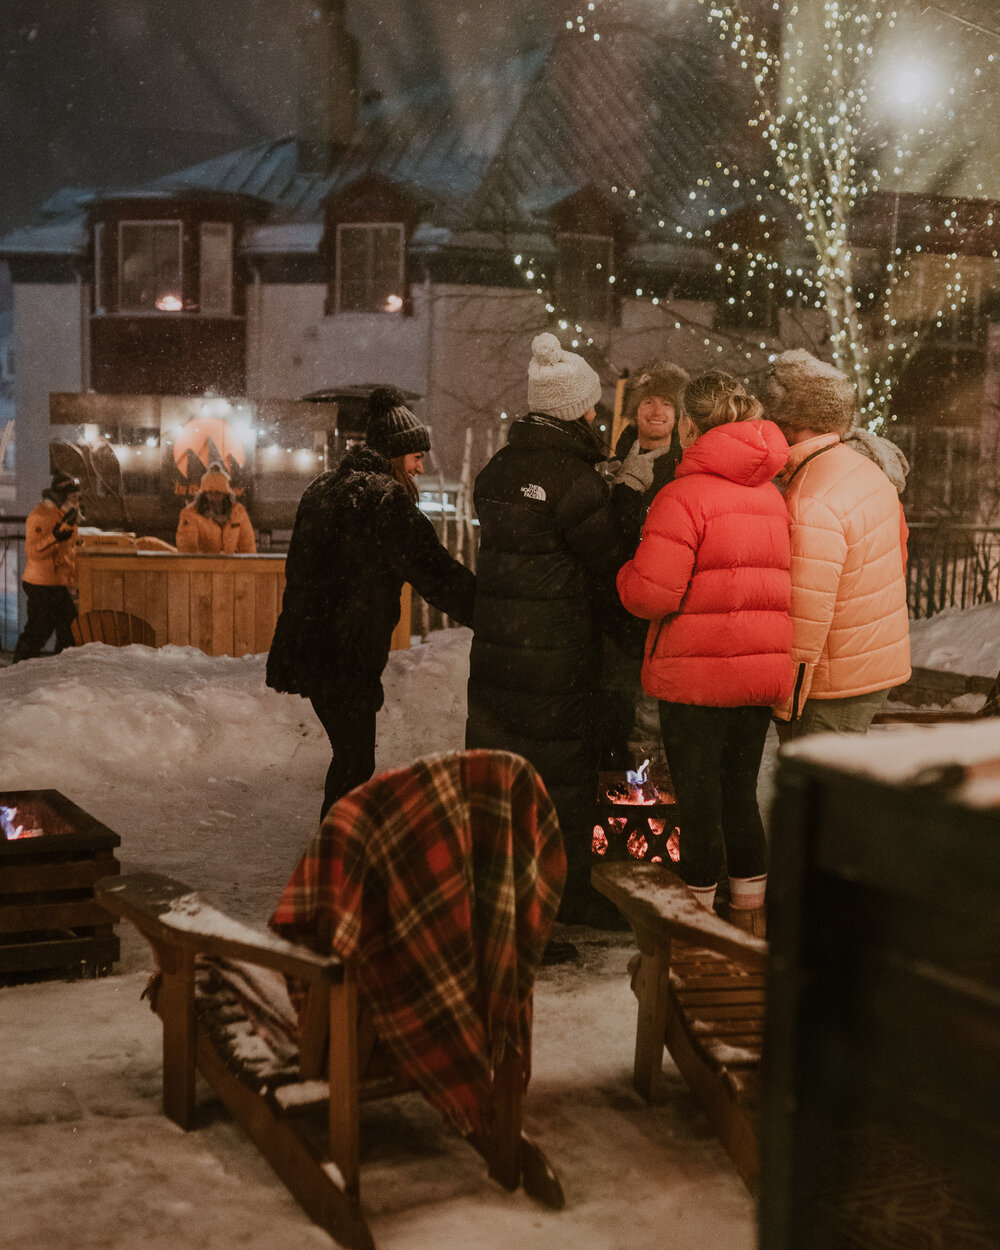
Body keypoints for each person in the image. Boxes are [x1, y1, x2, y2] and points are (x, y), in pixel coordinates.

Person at [466, 332, 653, 927]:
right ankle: (560, 904)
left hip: (502, 650)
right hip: (558, 655)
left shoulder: (497, 470)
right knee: (560, 780)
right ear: (577, 410)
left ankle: (500, 897)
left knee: (505, 777)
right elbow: (611, 560)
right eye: (591, 405)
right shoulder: (577, 481)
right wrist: (626, 495)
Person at [616, 372, 794, 936]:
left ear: (690, 425)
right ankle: (750, 918)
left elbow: (651, 594)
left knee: (698, 803)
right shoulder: (772, 495)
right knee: (740, 795)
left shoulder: (681, 496)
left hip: (695, 678)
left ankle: (694, 927)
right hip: (759, 673)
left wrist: (623, 572)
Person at [266, 387, 476, 821]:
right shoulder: (387, 502)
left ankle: (338, 853)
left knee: (350, 758)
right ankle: (336, 859)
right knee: (354, 763)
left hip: (310, 648)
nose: (420, 466)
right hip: (348, 653)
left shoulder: (321, 489)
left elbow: (298, 572)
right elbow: (438, 576)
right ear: (396, 454)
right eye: (416, 456)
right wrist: (496, 610)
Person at [761, 349, 911, 738]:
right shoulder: (862, 468)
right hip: (867, 662)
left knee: (821, 795)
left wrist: (786, 701)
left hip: (830, 683)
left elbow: (807, 611)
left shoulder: (811, 494)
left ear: (789, 422)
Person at [600, 361, 690, 769]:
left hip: (667, 615)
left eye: (666, 403)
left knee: (658, 722)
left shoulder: (686, 469)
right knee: (615, 716)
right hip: (615, 614)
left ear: (679, 414)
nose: (656, 411)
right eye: (648, 401)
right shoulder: (609, 461)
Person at [12, 471, 83, 663]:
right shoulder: (41, 515)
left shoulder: (65, 514)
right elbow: (33, 551)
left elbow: (67, 546)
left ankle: (57, 668)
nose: (77, 501)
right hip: (41, 583)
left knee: (67, 628)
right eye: (73, 497)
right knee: (40, 630)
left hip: (57, 582)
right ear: (61, 497)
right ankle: (20, 668)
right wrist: (55, 536)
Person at [176, 462, 257, 553]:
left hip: (230, 566)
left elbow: (247, 547)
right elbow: (187, 549)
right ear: (203, 493)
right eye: (210, 492)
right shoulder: (191, 514)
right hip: (203, 566)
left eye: (218, 492)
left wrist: (249, 565)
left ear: (225, 493)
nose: (213, 496)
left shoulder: (238, 513)